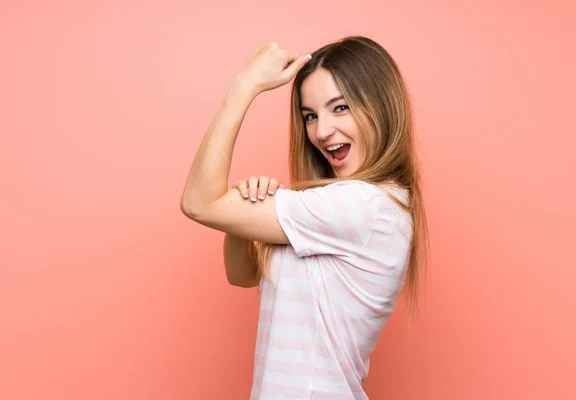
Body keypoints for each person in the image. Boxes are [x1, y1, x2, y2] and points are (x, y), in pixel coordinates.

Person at [180, 35, 428, 399]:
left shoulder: (363, 205)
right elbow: (242, 276)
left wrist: (244, 87)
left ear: (381, 106)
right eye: (310, 115)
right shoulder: (346, 207)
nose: (321, 131)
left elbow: (198, 203)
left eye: (340, 108)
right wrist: (242, 216)